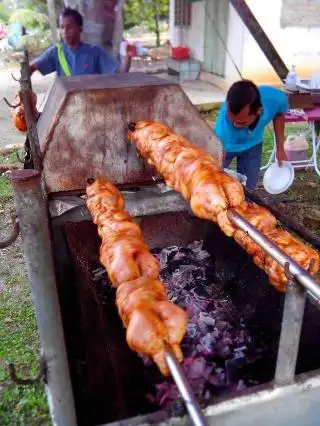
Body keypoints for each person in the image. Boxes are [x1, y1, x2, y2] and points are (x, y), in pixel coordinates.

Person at [214, 80, 289, 190]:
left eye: (241, 122)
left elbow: (279, 114)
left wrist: (280, 149)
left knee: (249, 188)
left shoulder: (276, 99)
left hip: (253, 145)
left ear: (258, 111)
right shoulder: (224, 130)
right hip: (225, 145)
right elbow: (218, 160)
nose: (236, 124)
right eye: (233, 120)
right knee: (214, 181)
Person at [29, 7, 132, 77]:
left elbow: (120, 73)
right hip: (67, 107)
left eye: (69, 28)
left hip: (90, 104)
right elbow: (31, 68)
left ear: (80, 29)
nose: (64, 32)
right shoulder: (56, 52)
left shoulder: (94, 52)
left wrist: (128, 56)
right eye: (62, 27)